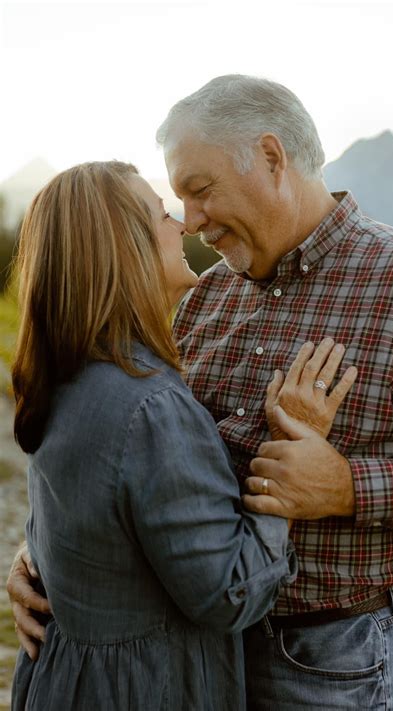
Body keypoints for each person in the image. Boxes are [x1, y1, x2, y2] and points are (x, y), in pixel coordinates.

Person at [9, 76, 393, 708]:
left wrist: (346, 486)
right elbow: (138, 459)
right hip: (190, 660)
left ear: (272, 159)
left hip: (328, 666)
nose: (192, 222)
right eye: (178, 201)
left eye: (200, 192)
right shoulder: (206, 297)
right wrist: (53, 553)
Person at [7, 160, 356, 711]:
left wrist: (37, 560)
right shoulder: (150, 407)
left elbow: (89, 522)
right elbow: (229, 593)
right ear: (127, 248)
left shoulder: (68, 375)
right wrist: (294, 452)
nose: (185, 227)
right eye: (163, 215)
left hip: (65, 681)